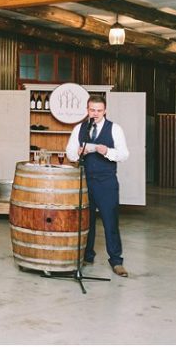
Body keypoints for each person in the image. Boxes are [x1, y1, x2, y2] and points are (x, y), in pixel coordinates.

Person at [65, 95, 130, 278]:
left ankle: (116, 261)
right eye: (92, 110)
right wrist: (78, 153)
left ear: (105, 110)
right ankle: (87, 256)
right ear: (87, 110)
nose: (95, 113)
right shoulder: (79, 128)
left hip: (106, 182)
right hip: (85, 180)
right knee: (87, 220)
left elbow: (124, 154)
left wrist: (107, 151)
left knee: (110, 221)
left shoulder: (115, 129)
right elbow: (69, 153)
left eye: (99, 110)